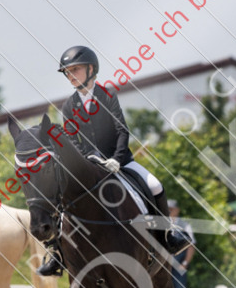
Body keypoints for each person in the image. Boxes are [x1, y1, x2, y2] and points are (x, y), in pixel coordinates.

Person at [37, 46, 190, 276]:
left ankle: (167, 236)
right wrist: (86, 160)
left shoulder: (107, 96)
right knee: (58, 194)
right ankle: (56, 253)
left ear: (91, 69)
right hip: (88, 167)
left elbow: (122, 130)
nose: (71, 75)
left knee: (156, 185)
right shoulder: (69, 105)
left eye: (75, 69)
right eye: (67, 72)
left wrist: (116, 159)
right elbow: (71, 138)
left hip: (120, 162)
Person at [168, 200, 196, 288]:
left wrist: (185, 263)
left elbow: (191, 245)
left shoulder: (185, 225)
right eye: (167, 208)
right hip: (164, 265)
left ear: (177, 210)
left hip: (179, 264)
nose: (169, 211)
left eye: (171, 209)